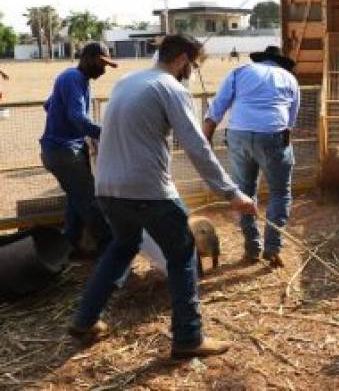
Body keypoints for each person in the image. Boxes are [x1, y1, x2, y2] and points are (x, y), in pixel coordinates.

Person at [69, 34, 257, 359]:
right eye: (194, 65)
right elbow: (197, 147)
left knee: (123, 246)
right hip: (148, 190)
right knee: (182, 252)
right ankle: (188, 338)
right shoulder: (170, 88)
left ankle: (86, 320)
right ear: (183, 59)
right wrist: (232, 193)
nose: (192, 71)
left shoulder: (128, 81)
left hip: (108, 189)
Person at [203, 45, 299, 269]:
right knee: (280, 193)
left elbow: (216, 108)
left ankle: (251, 249)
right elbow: (290, 121)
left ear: (261, 60)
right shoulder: (290, 79)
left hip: (238, 134)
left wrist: (204, 141)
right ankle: (272, 250)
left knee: (243, 193)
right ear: (281, 62)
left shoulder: (240, 72)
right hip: (273, 134)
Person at [40, 42, 117, 254]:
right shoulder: (74, 79)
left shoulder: (72, 77)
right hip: (65, 151)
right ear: (89, 58)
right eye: (102, 64)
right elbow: (77, 116)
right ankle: (109, 246)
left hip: (57, 150)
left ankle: (69, 244)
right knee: (89, 200)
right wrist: (107, 134)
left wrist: (65, 123)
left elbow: (48, 105)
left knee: (76, 199)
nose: (103, 70)